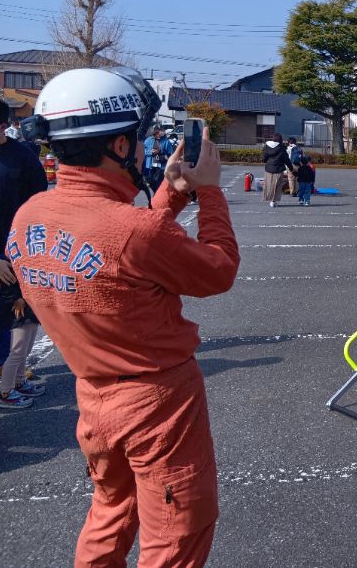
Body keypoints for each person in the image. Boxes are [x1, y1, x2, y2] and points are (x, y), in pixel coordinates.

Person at [12, 66, 239, 566]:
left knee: (111, 510)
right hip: (156, 402)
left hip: (92, 396)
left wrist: (175, 192)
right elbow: (217, 271)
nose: (142, 148)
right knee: (178, 529)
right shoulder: (133, 231)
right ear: (118, 147)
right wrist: (209, 191)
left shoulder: (30, 214)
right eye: (137, 139)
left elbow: (128, 244)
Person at [0, 96, 48, 380]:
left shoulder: (22, 157)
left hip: (8, 250)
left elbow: (37, 202)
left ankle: (4, 365)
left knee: (5, 308)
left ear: (2, 127)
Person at [262, 133, 294, 208]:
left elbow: (264, 159)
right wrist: (291, 168)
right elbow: (286, 160)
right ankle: (273, 201)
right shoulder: (282, 148)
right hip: (278, 170)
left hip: (268, 169)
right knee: (277, 186)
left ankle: (269, 199)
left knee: (269, 185)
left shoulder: (267, 147)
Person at [143, 127, 174, 191]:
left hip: (161, 167)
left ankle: (157, 195)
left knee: (158, 183)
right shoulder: (148, 140)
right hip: (150, 166)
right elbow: (143, 151)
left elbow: (171, 154)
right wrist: (150, 152)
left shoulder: (166, 142)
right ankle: (155, 193)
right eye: (156, 133)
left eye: (160, 132)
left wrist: (164, 156)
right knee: (151, 182)